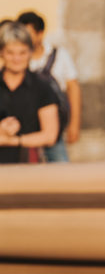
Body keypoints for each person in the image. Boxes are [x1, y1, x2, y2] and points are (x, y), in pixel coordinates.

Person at [17, 11, 81, 162]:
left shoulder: (59, 55)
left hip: (53, 126)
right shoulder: (17, 58)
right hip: (24, 127)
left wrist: (74, 124)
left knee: (60, 172)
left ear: (40, 34)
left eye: (28, 33)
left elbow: (73, 88)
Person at [0, 22, 59, 163]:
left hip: (28, 166)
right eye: (10, 52)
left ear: (30, 53)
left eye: (22, 52)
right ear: (1, 52)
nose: (16, 59)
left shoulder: (42, 87)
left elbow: (50, 135)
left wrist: (13, 140)